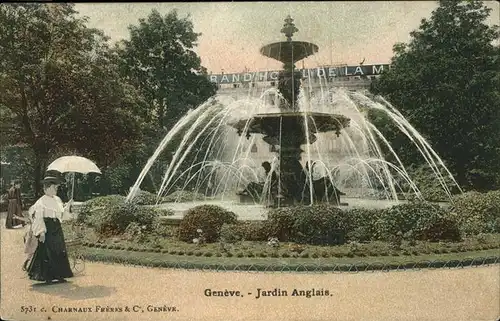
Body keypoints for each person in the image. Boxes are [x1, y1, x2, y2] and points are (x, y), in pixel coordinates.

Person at [26, 171, 74, 284]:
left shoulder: (57, 200)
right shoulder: (41, 201)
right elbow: (38, 217)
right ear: (47, 188)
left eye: (56, 188)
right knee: (47, 251)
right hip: (47, 228)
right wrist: (41, 232)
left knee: (59, 250)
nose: (55, 190)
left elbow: (61, 215)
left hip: (56, 227)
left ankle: (60, 274)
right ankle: (47, 276)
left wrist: (68, 206)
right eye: (54, 188)